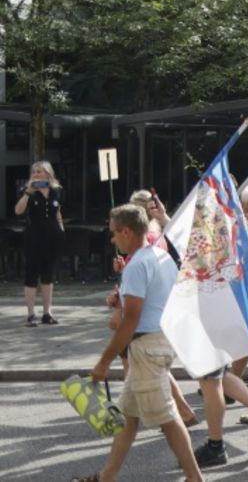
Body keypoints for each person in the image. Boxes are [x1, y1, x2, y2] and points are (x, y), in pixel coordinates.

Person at [77, 204, 204, 482]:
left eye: (114, 234)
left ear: (126, 231)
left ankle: (195, 478)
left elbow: (130, 320)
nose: (112, 239)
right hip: (159, 343)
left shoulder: (136, 265)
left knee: (168, 418)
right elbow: (158, 303)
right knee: (128, 418)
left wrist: (104, 362)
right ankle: (106, 476)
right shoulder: (162, 257)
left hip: (145, 346)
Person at [16, 160, 64, 326]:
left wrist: (61, 229)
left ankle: (47, 312)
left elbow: (58, 211)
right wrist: (28, 192)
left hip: (52, 238)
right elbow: (18, 210)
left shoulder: (56, 191)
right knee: (31, 274)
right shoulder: (27, 191)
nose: (36, 174)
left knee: (48, 275)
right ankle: (30, 314)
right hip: (33, 238)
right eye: (34, 172)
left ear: (48, 174)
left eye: (40, 171)